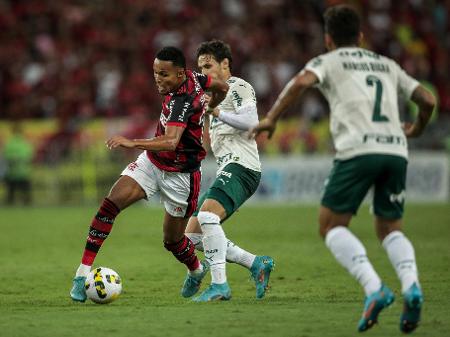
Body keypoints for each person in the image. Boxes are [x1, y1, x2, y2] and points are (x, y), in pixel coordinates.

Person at [251, 5, 435, 333]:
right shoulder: (387, 64)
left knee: (330, 225)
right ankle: (411, 286)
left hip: (358, 150)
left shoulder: (328, 61)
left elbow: (302, 81)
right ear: (361, 36)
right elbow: (428, 100)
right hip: (395, 150)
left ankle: (374, 288)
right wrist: (418, 127)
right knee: (391, 228)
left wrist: (272, 118)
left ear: (328, 39)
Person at [70, 46, 229, 302]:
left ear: (179, 75)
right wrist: (212, 108)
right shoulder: (195, 77)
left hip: (181, 176)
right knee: (109, 206)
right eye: (156, 72)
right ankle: (81, 275)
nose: (158, 79)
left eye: (163, 75)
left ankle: (197, 270)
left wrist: (132, 143)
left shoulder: (182, 100)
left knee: (173, 242)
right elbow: (222, 87)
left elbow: (170, 141)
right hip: (152, 163)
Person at [180, 40, 274, 302]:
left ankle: (219, 285)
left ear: (225, 64)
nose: (203, 72)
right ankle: (256, 263)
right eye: (199, 67)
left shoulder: (238, 86)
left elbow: (251, 122)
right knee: (192, 236)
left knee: (209, 217)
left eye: (207, 65)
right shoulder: (208, 96)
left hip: (243, 167)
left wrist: (217, 111)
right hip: (228, 166)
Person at [2, 123, 34, 205]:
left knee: (10, 197)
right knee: (27, 199)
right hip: (23, 173)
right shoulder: (25, 143)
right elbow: (29, 156)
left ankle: (9, 212)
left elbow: (5, 157)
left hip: (11, 173)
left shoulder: (9, 143)